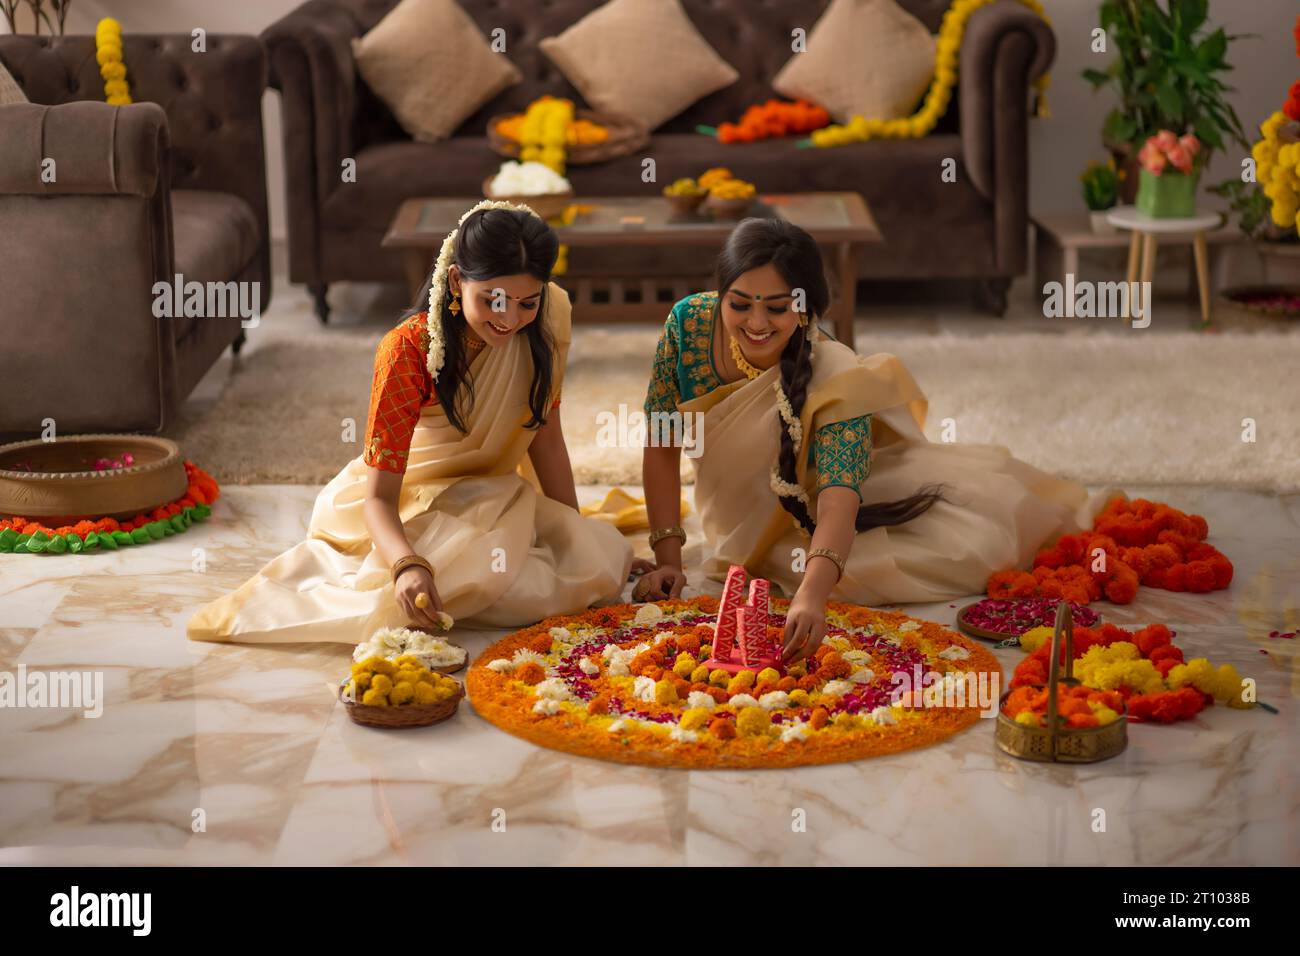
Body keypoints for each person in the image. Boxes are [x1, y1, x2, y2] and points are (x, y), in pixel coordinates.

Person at [635, 217, 1104, 661]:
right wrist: (669, 560)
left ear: (805, 308)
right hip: (736, 520)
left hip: (823, 505)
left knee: (973, 542)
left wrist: (813, 597)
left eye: (776, 308)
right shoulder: (688, 325)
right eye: (739, 303)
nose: (756, 322)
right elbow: (661, 442)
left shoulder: (835, 372)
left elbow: (839, 499)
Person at [189, 201, 632, 644]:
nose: (509, 319)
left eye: (526, 303)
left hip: (496, 498)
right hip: (411, 503)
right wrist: (405, 565)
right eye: (494, 300)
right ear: (458, 281)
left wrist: (575, 536)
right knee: (439, 590)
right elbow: (378, 498)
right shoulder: (407, 350)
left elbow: (547, 442)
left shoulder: (546, 323)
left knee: (588, 567)